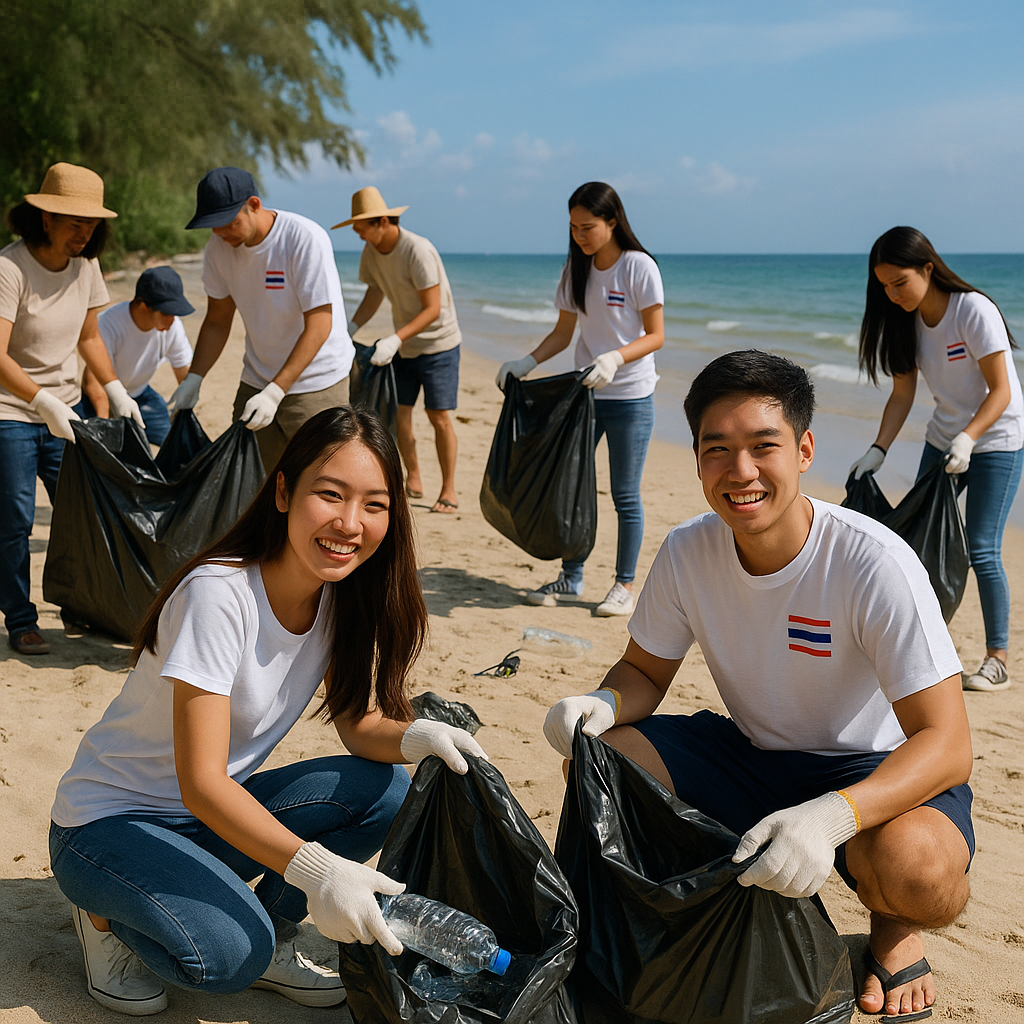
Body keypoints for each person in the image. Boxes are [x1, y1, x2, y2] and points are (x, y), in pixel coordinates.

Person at [543, 350, 973, 1022]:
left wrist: (833, 816)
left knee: (919, 871)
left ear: (803, 450)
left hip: (873, 770)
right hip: (749, 755)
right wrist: (600, 703)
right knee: (597, 761)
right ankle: (696, 906)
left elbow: (948, 743)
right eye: (718, 449)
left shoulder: (872, 561)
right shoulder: (690, 551)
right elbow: (646, 673)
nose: (740, 471)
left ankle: (892, 926)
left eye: (762, 447)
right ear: (696, 459)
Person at [49, 406, 488, 1016]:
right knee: (227, 958)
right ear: (283, 492)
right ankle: (101, 915)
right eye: (329, 495)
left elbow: (360, 728)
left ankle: (275, 933)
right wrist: (321, 873)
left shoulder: (337, 600)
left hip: (204, 823)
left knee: (386, 789)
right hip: (106, 824)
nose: (349, 523)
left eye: (374, 504)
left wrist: (420, 736)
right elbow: (200, 783)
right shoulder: (219, 594)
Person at [851, 227, 1023, 693]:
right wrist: (878, 449)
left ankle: (997, 660)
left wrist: (969, 439)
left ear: (928, 268)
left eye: (900, 282)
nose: (892, 293)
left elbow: (1002, 391)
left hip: (998, 440)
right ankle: (912, 643)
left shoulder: (972, 310)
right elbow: (902, 394)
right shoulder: (905, 320)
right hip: (945, 440)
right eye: (884, 285)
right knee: (911, 542)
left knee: (982, 548)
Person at [496, 182, 664, 617]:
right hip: (584, 397)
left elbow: (657, 335)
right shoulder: (575, 270)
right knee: (572, 487)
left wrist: (614, 357)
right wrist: (526, 362)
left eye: (588, 227)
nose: (580, 236)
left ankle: (623, 586)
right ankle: (571, 577)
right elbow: (563, 333)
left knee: (625, 494)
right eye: (573, 228)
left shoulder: (638, 267)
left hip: (630, 397)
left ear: (613, 221)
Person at [0, 162, 143, 657]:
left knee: (81, 514)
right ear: (45, 219)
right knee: (16, 522)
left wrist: (115, 387)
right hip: (11, 415)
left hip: (68, 413)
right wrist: (40, 400)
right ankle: (20, 619)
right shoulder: (10, 268)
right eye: (74, 222)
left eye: (92, 224)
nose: (85, 232)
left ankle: (78, 604)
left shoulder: (86, 267)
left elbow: (88, 338)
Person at [172, 167, 354, 472]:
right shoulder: (218, 250)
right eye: (213, 226)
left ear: (254, 204)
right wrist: (195, 376)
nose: (221, 233)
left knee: (320, 476)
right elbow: (217, 320)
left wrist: (276, 391)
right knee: (253, 480)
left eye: (229, 223)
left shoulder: (303, 239)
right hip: (256, 378)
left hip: (317, 380)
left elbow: (321, 322)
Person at [334, 186, 463, 512]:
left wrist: (395, 339)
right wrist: (348, 329)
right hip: (404, 346)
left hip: (439, 345)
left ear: (380, 222)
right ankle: (414, 477)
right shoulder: (372, 251)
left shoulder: (417, 250)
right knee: (400, 415)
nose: (356, 232)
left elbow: (433, 308)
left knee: (439, 417)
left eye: (360, 226)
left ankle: (448, 490)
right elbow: (375, 293)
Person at [82, 266, 194, 445]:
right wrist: (105, 423)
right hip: (101, 397)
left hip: (141, 394)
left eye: (175, 312)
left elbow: (184, 372)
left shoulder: (173, 327)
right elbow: (91, 381)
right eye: (166, 312)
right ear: (143, 307)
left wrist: (185, 404)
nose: (172, 320)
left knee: (175, 444)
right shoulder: (109, 323)